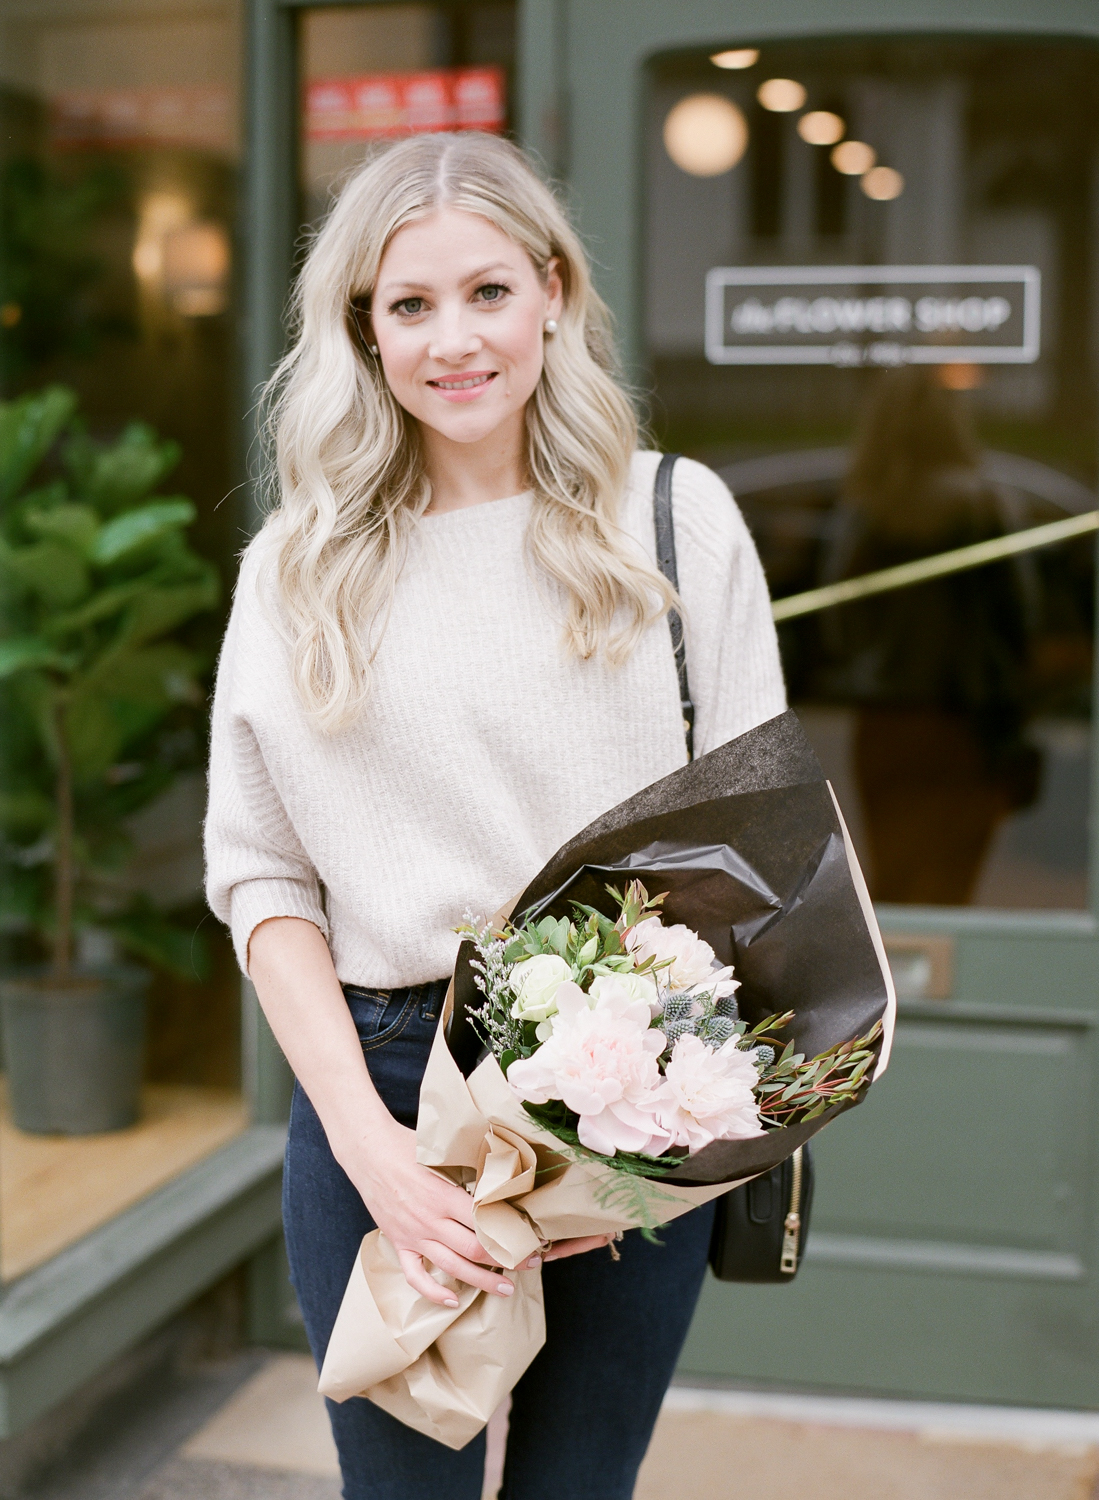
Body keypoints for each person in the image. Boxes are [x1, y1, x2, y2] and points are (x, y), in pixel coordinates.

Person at [204, 131, 785, 1500]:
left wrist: (629, 1148)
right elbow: (264, 879)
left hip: (636, 1086)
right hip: (385, 1082)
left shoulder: (671, 521)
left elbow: (758, 843)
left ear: (551, 297)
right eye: (408, 305)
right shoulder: (297, 566)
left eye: (485, 294)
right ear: (362, 330)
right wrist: (376, 1154)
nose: (451, 341)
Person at [822, 365, 1037, 904]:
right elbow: (1021, 621)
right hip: (962, 727)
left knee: (893, 885)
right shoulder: (981, 504)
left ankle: (897, 987)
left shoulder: (868, 509)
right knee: (953, 894)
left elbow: (838, 623)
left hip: (885, 726)